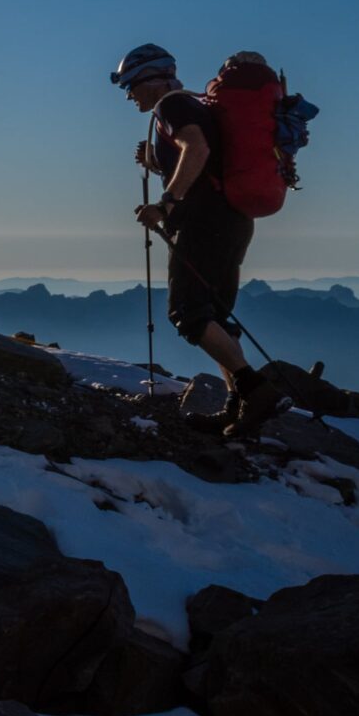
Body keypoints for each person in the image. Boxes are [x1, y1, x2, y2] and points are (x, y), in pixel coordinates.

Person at [113, 43, 280, 436]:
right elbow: (203, 157)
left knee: (188, 313)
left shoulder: (171, 105)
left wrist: (166, 204)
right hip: (233, 220)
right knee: (215, 315)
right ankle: (237, 405)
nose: (129, 95)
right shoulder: (194, 105)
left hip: (205, 224)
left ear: (151, 79)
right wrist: (156, 160)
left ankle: (255, 390)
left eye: (131, 85)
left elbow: (197, 149)